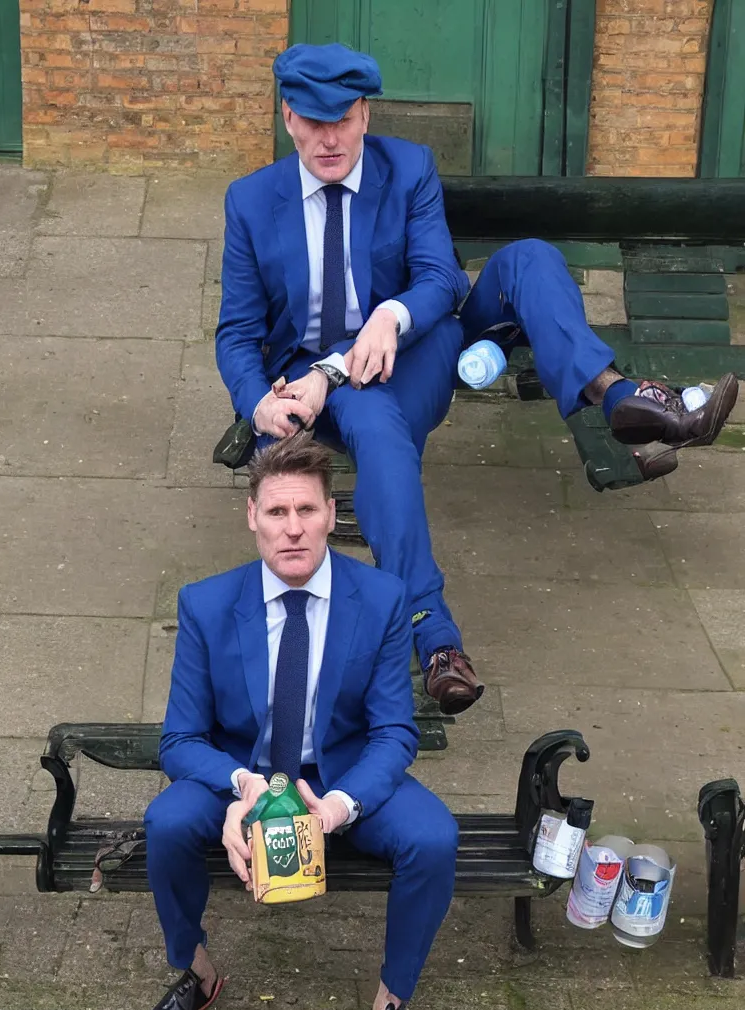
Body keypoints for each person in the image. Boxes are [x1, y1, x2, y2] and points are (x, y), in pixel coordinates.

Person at [215, 43, 739, 718]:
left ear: (365, 114)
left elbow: (439, 279)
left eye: (342, 119)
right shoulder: (252, 202)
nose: (330, 138)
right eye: (313, 122)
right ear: (288, 118)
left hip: (423, 349)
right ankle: (434, 639)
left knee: (528, 259)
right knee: (377, 426)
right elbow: (235, 333)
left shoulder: (408, 169)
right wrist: (257, 401)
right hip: (330, 391)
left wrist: (389, 315)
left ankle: (619, 396)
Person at [143, 435, 459, 1010]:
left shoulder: (382, 598)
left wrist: (338, 806)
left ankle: (393, 994)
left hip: (340, 772)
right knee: (165, 824)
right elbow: (180, 740)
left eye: (307, 510)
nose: (293, 529)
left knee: (435, 839)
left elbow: (394, 731)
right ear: (252, 517)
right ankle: (198, 971)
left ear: (332, 515)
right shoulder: (205, 605)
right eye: (277, 512)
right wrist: (242, 785)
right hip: (246, 773)